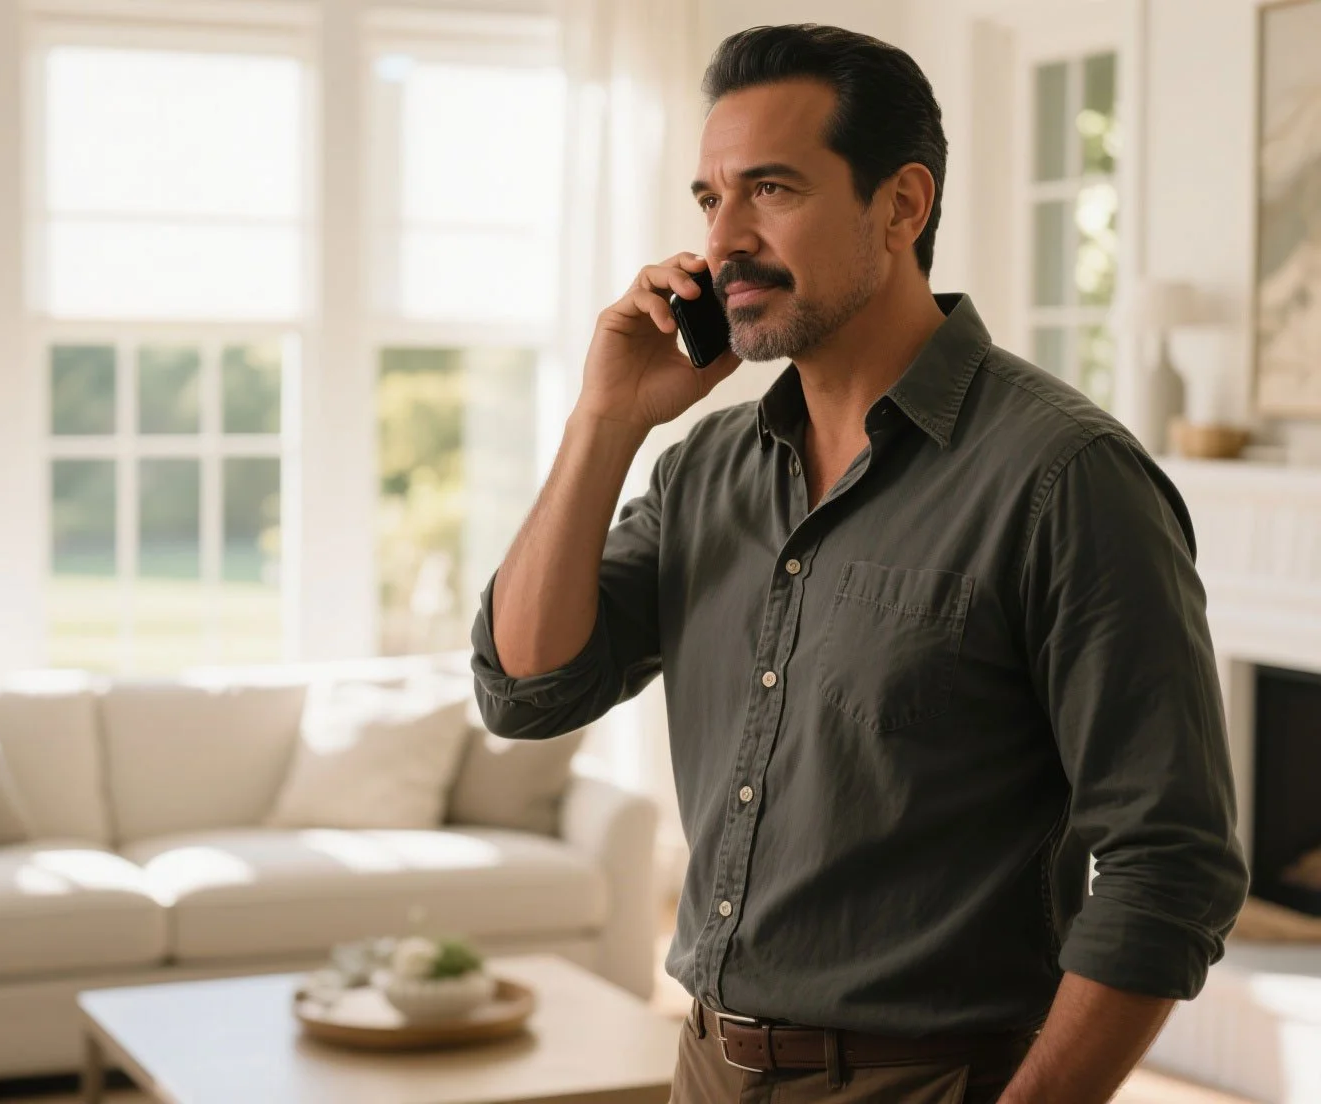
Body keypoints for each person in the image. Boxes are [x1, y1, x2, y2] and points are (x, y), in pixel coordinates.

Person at [470, 23, 1249, 1104]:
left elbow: (1170, 864)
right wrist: (603, 421)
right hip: (702, 1067)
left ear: (900, 206)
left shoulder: (1063, 479)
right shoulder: (706, 468)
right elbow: (528, 687)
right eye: (707, 198)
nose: (722, 239)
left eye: (771, 189)